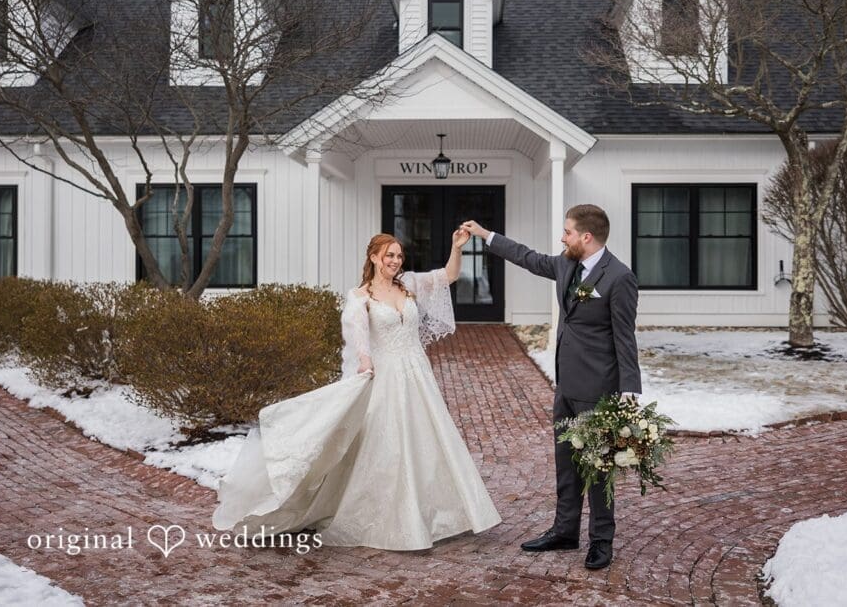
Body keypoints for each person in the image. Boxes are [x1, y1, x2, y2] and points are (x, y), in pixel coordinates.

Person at [212, 230, 501, 550]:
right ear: (375, 258)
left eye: (399, 256)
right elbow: (358, 336)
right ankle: (393, 516)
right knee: (389, 445)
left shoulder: (409, 284)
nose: (395, 260)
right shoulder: (360, 297)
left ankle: (437, 512)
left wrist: (456, 248)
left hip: (418, 375)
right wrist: (365, 361)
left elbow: (448, 275)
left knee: (429, 441)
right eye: (389, 255)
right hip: (386, 377)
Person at [460, 205, 640, 570]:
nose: (563, 238)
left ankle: (601, 541)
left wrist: (629, 391)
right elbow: (528, 258)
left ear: (586, 237)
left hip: (599, 389)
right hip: (565, 386)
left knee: (599, 467)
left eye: (567, 232)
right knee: (566, 464)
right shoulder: (566, 264)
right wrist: (485, 235)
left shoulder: (618, 277)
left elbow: (625, 337)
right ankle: (564, 530)